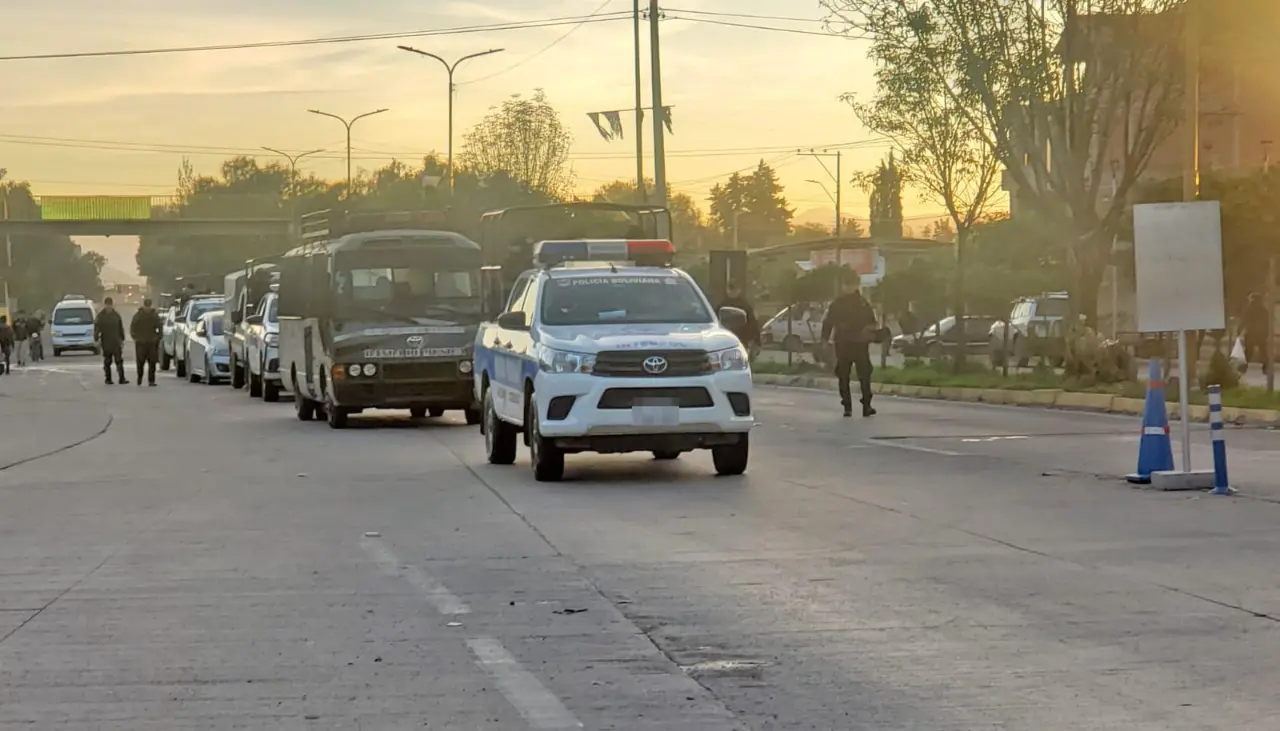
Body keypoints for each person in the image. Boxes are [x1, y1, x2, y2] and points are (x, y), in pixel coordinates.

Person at [822, 277, 880, 418]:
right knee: (845, 375)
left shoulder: (862, 303)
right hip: (845, 343)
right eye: (847, 284)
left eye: (851, 284)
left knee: (862, 374)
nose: (849, 287)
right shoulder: (841, 303)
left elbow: (872, 322)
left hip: (857, 343)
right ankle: (849, 406)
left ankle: (865, 405)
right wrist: (825, 339)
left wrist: (869, 330)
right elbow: (829, 322)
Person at [130, 297, 163, 386]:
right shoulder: (138, 315)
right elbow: (133, 327)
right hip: (141, 343)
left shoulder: (154, 315)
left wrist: (158, 338)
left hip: (152, 343)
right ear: (144, 306)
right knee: (140, 363)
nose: (147, 308)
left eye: (149, 306)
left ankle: (151, 381)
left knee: (152, 363)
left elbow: (160, 327)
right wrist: (135, 337)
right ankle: (139, 378)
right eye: (146, 306)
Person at [719, 282, 760, 353]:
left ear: (739, 290)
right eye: (730, 288)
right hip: (725, 340)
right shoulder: (721, 305)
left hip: (741, 341)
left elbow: (753, 323)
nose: (732, 291)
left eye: (734, 288)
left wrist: (757, 341)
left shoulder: (745, 306)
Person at [94, 297, 128, 385]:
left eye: (110, 305)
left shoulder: (116, 315)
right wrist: (96, 337)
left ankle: (121, 378)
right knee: (107, 361)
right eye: (107, 305)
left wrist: (122, 338)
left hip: (116, 341)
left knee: (119, 360)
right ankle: (108, 378)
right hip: (106, 341)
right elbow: (97, 328)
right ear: (105, 305)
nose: (109, 306)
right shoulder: (101, 316)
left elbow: (120, 327)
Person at [1240, 293, 1270, 374]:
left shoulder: (1249, 308)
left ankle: (1243, 367)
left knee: (1249, 351)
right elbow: (1267, 322)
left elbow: (1244, 320)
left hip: (1251, 333)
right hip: (1261, 333)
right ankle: (1266, 367)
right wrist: (1267, 333)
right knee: (1263, 351)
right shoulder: (1263, 309)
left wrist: (1239, 330)